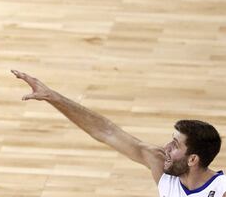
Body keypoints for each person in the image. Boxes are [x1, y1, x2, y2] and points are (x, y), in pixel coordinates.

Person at [11, 70, 226, 197]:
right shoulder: (163, 169)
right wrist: (53, 97)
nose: (166, 148)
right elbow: (106, 131)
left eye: (175, 145)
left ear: (193, 159)